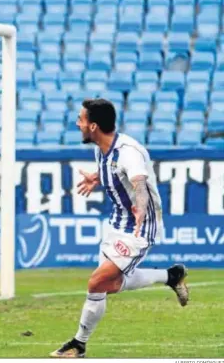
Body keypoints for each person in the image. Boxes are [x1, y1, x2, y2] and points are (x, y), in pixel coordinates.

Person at [50, 99, 189, 358]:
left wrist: (139, 207)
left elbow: (138, 181)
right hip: (116, 222)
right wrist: (95, 177)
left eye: (80, 119)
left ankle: (79, 344)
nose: (77, 124)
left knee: (97, 282)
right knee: (110, 285)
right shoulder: (101, 149)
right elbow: (114, 172)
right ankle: (171, 276)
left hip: (139, 227)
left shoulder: (128, 151)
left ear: (93, 126)